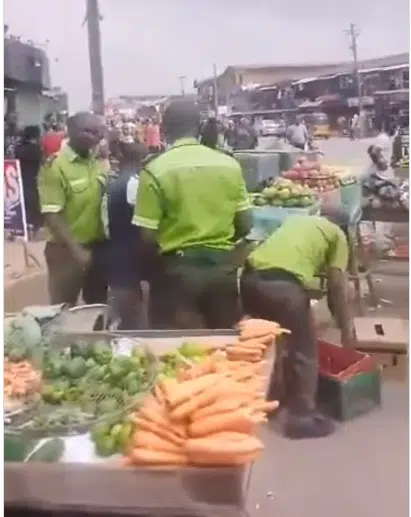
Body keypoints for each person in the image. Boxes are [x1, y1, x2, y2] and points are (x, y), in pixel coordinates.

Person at [133, 98, 252, 329]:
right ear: (199, 126)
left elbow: (147, 236)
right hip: (222, 269)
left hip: (177, 272)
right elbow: (246, 224)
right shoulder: (228, 165)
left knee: (180, 346)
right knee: (224, 341)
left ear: (164, 129)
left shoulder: (155, 170)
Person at [240, 207, 353, 439]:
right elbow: (337, 287)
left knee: (265, 343)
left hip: (250, 280)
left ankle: (262, 402)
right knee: (303, 349)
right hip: (283, 287)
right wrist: (346, 328)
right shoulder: (337, 235)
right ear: (342, 226)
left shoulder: (297, 221)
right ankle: (301, 418)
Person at [37, 112, 108, 306]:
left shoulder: (96, 162)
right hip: (66, 252)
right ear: (73, 132)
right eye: (89, 131)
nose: (96, 137)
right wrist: (76, 250)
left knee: (98, 306)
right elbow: (52, 214)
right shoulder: (55, 166)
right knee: (63, 308)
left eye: (98, 132)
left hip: (97, 248)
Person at [102, 141, 148, 330]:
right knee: (129, 307)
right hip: (129, 248)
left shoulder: (114, 182)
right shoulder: (133, 183)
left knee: (123, 294)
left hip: (116, 245)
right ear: (141, 160)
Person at [15, 126, 43, 233]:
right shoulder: (37, 149)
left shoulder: (19, 148)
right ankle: (33, 226)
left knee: (22, 203)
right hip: (33, 178)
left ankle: (22, 226)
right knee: (33, 203)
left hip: (20, 178)